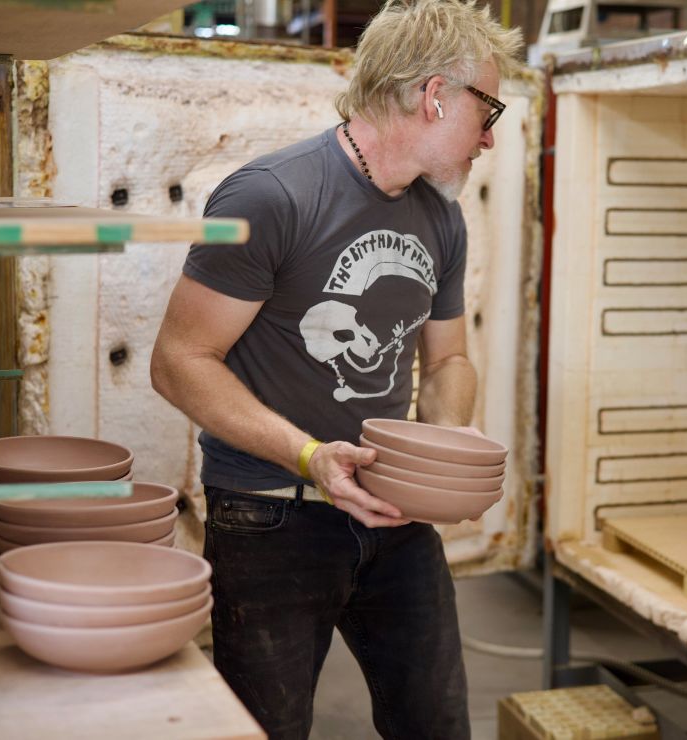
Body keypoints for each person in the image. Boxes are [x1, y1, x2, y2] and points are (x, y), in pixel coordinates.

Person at [150, 1, 523, 737]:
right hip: (270, 514)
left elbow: (448, 358)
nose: (488, 137)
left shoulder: (441, 217)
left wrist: (439, 456)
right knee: (267, 729)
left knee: (438, 725)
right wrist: (314, 457)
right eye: (489, 109)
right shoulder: (272, 195)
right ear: (434, 95)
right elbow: (178, 362)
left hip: (396, 517)